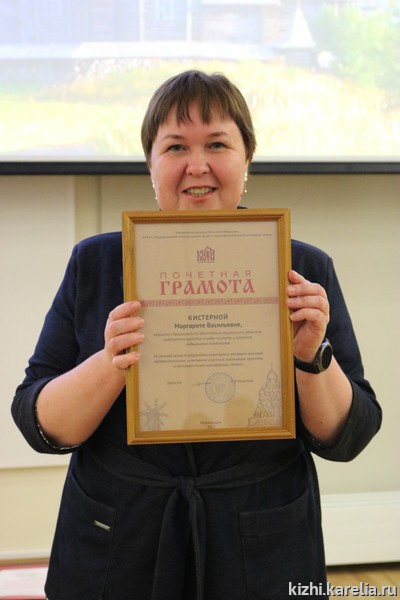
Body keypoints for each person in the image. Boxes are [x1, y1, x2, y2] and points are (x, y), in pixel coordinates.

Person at [12, 70, 381, 600]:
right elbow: (38, 423)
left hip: (263, 542)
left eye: (217, 144)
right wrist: (110, 363)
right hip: (118, 540)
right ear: (150, 164)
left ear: (247, 158)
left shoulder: (302, 270)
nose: (197, 165)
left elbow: (350, 436)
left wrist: (310, 357)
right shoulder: (95, 263)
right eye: (176, 147)